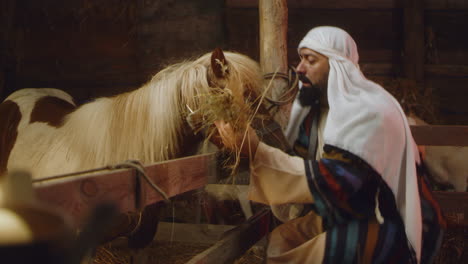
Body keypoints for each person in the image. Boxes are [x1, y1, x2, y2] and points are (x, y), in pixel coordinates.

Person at [214, 26, 445, 263]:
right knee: (282, 239)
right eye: (301, 59)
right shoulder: (326, 111)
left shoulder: (368, 112)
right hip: (355, 209)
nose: (299, 68)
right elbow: (307, 162)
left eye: (310, 60)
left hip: (389, 222)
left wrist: (256, 150)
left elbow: (335, 180)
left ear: (337, 65)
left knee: (299, 255)